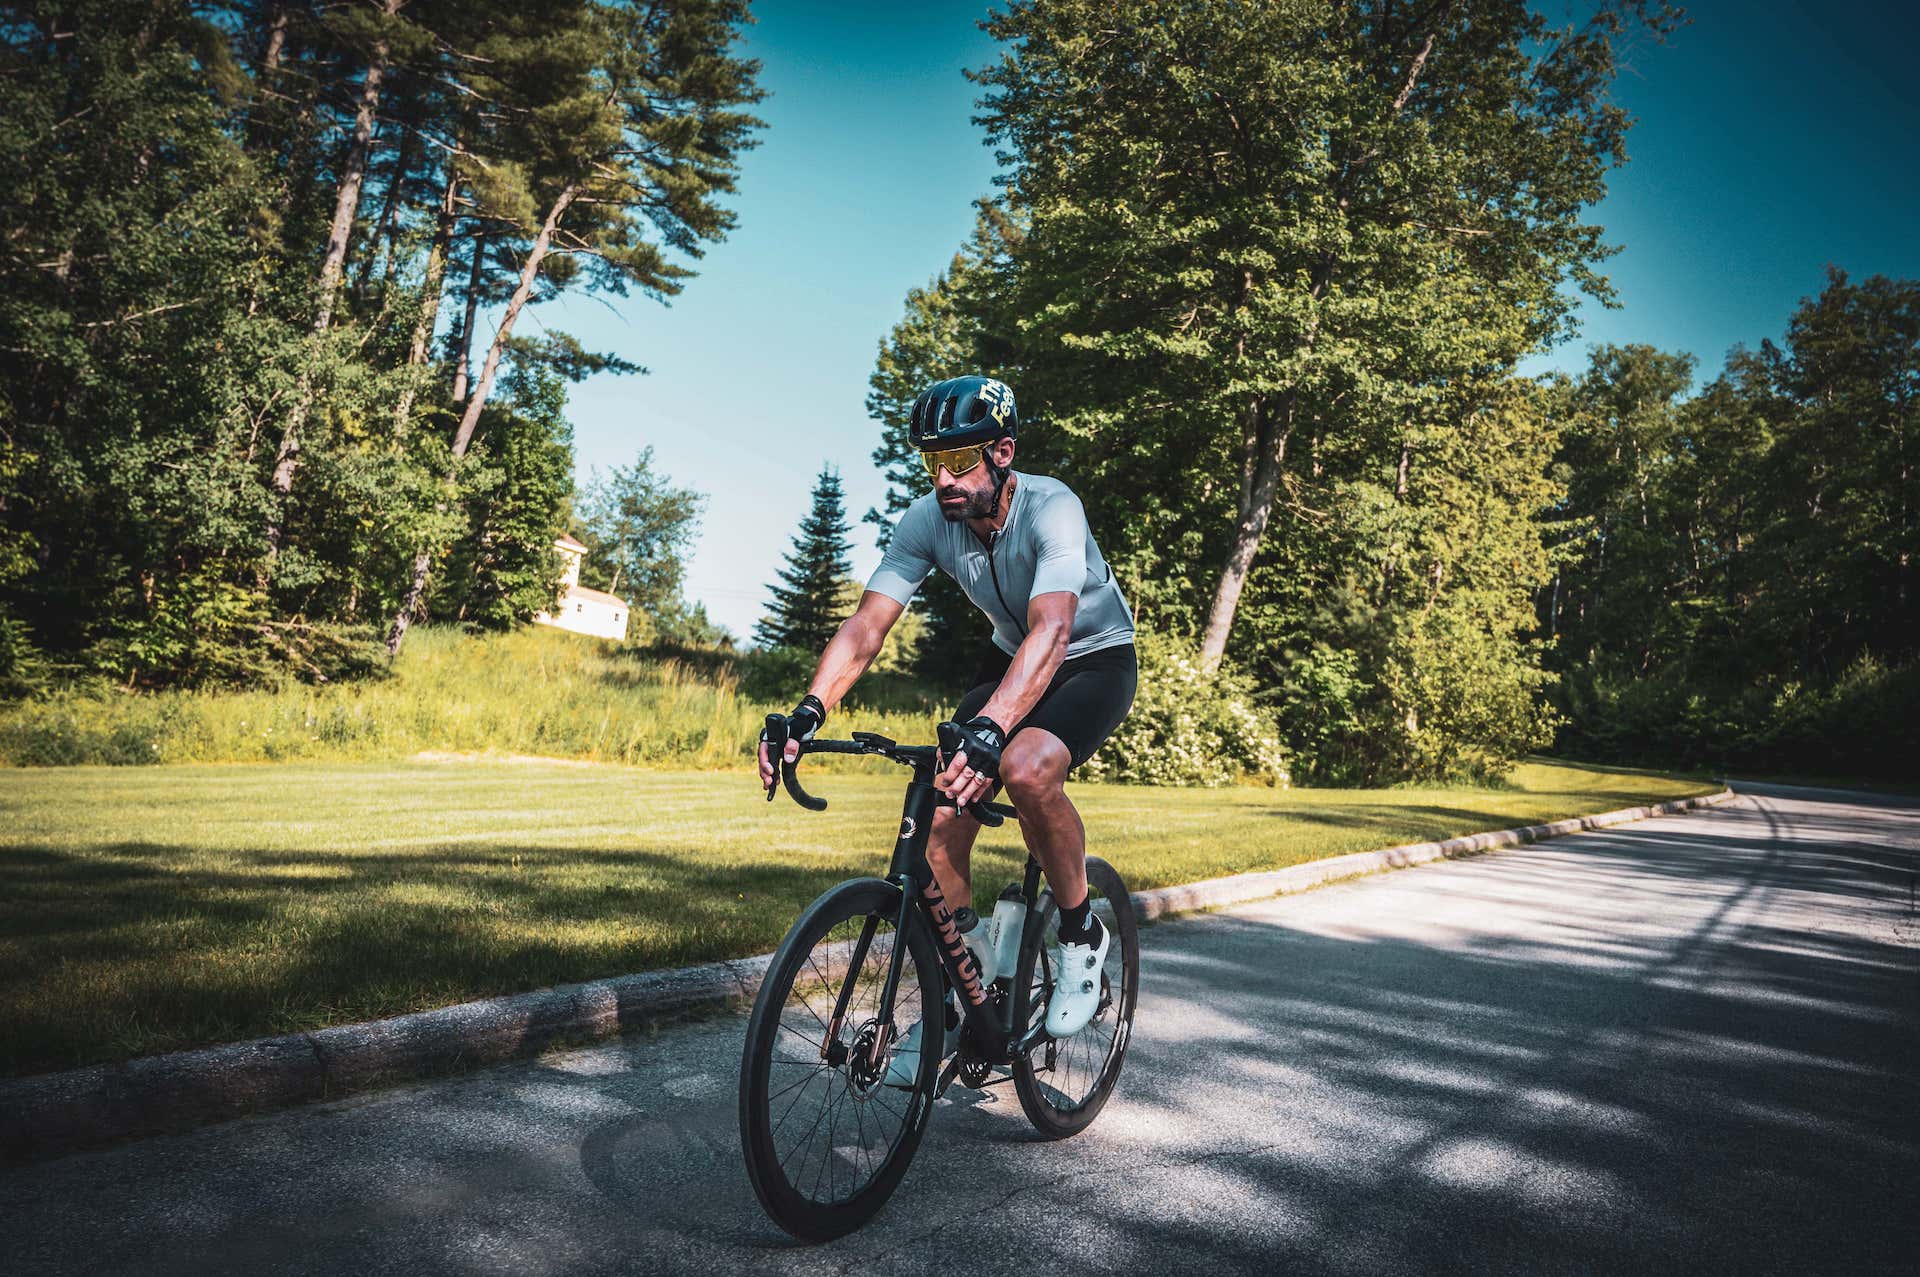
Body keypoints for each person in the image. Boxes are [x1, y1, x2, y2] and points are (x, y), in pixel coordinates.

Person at [756, 375, 1137, 1078]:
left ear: (1002, 453)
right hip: (1011, 657)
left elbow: (1054, 628)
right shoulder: (927, 521)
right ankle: (970, 984)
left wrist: (993, 728)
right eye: (932, 462)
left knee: (1024, 768)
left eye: (959, 461)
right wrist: (809, 709)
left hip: (1092, 658)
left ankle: (1081, 933)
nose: (943, 480)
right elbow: (868, 625)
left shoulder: (1053, 506)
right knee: (934, 816)